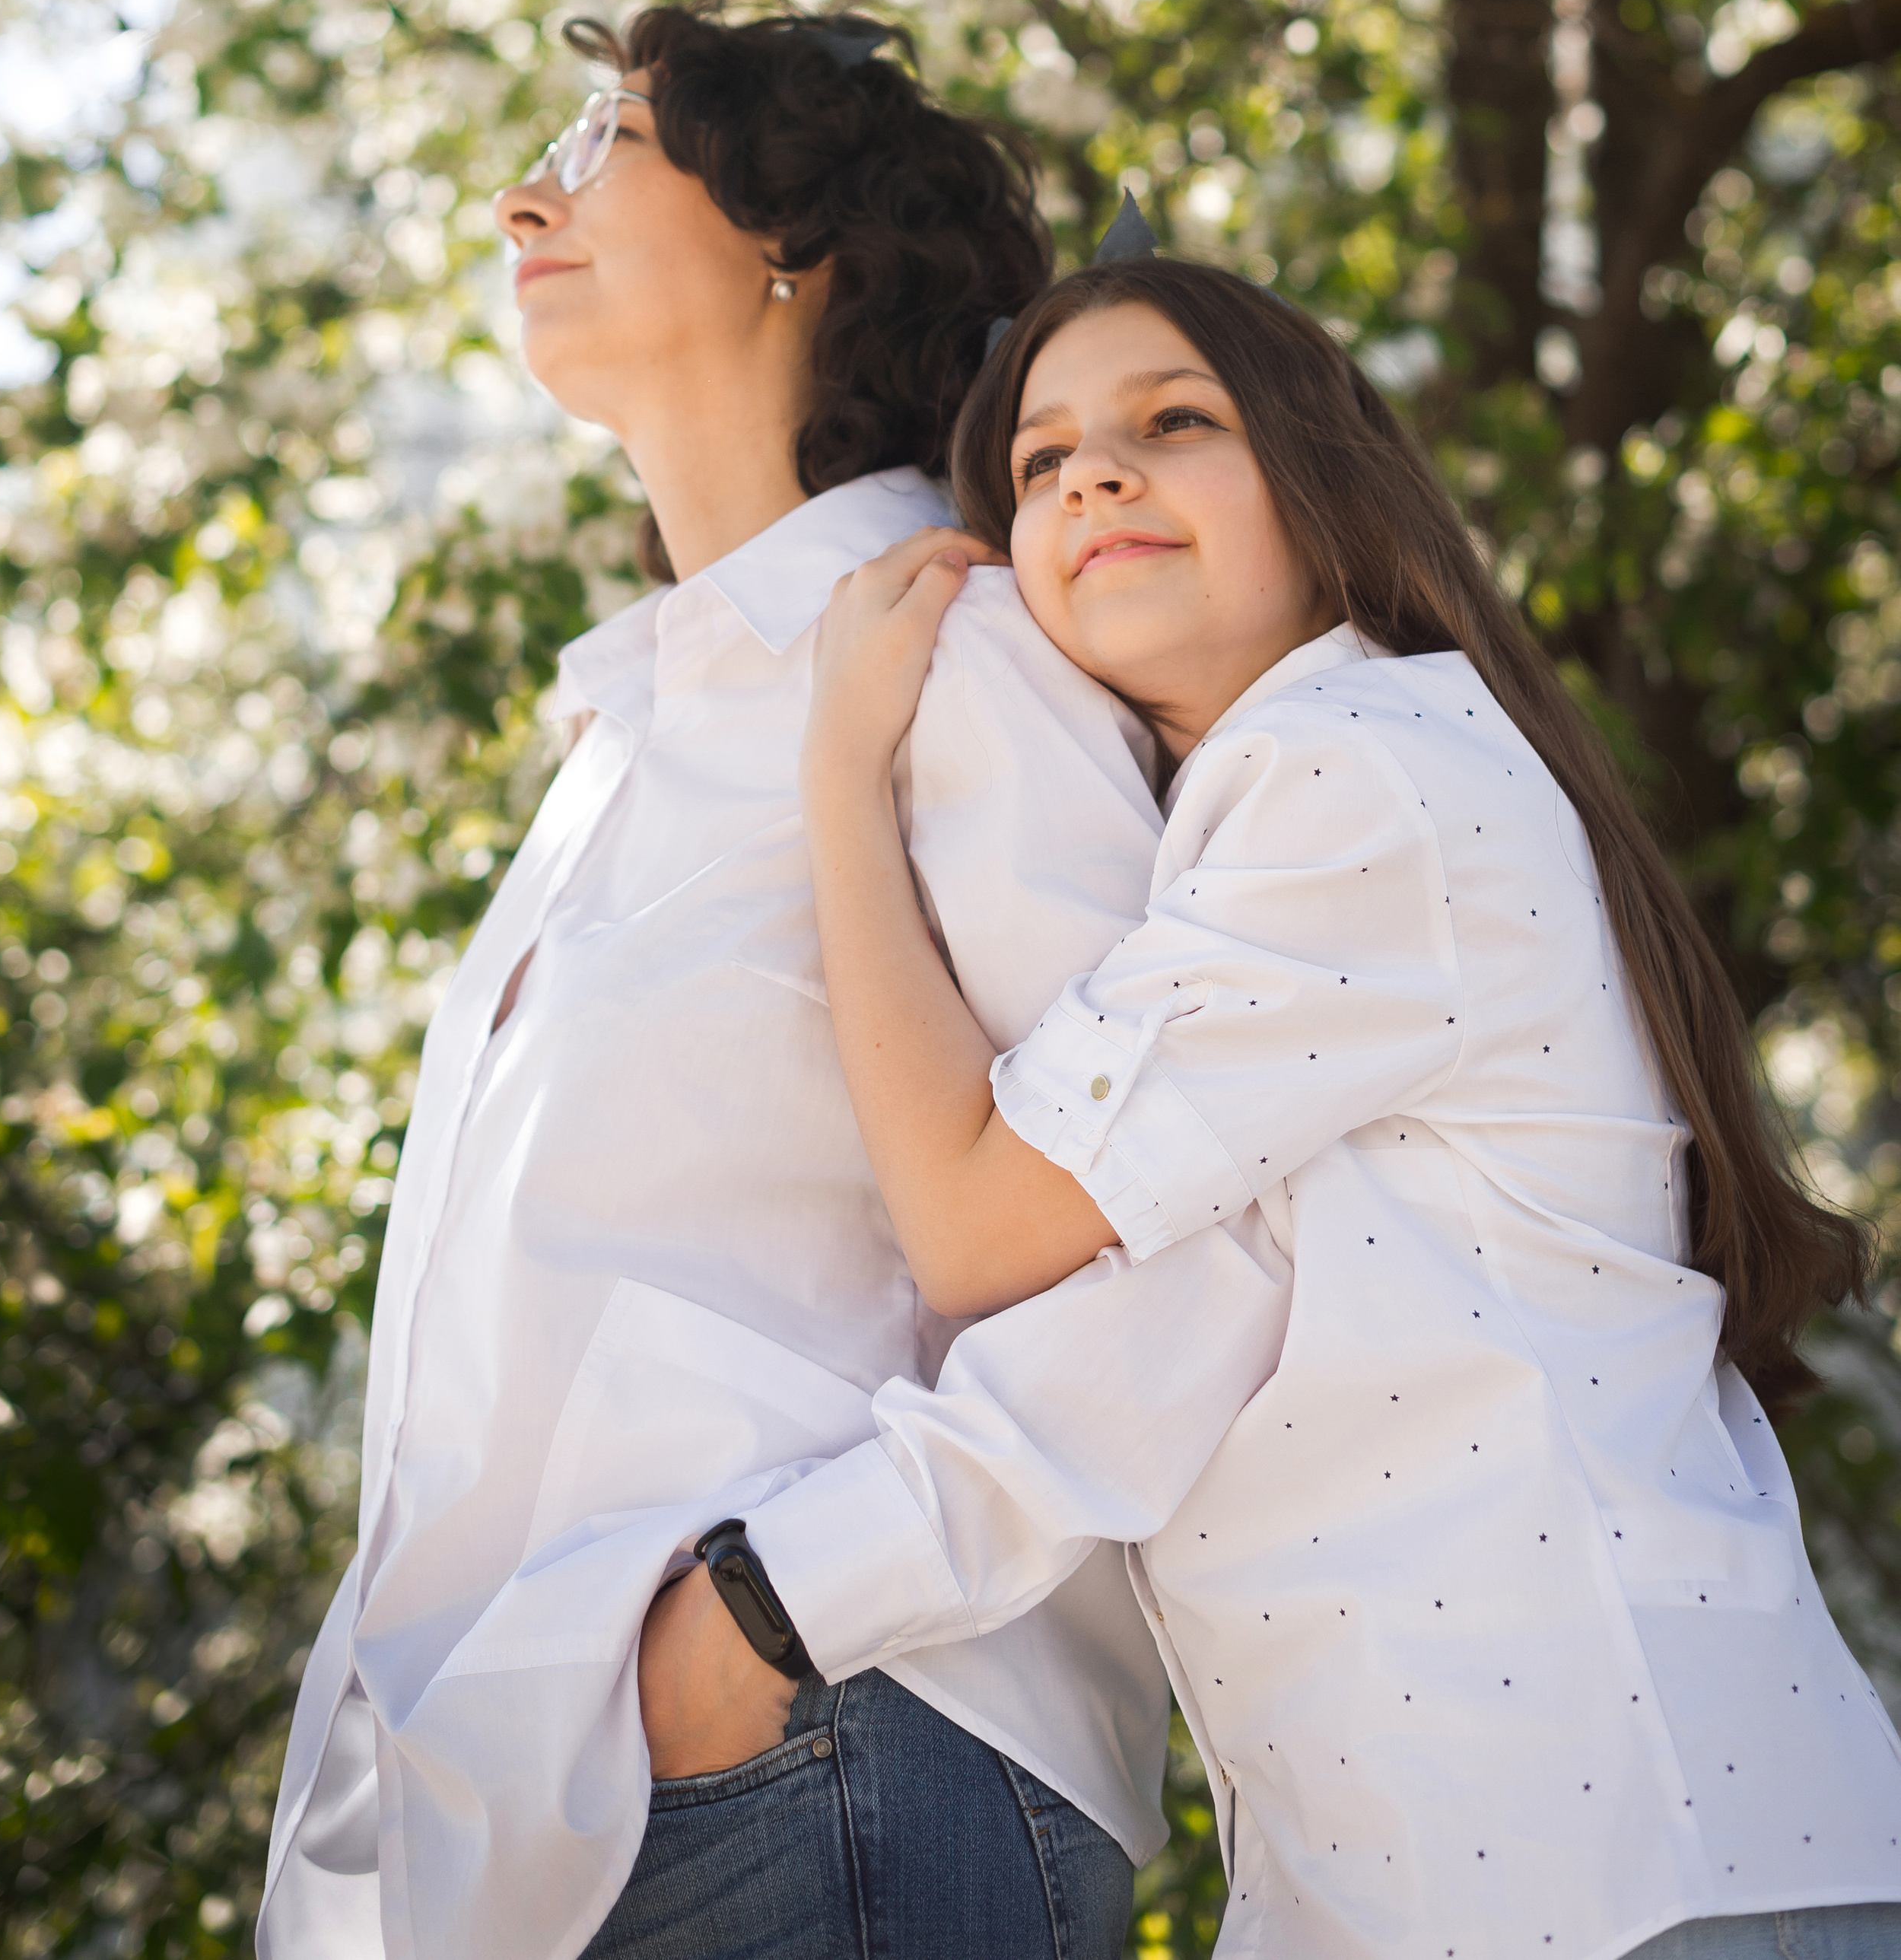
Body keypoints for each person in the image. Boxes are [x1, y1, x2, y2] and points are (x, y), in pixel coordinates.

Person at [256, 12, 1285, 1960]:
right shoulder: (627, 737)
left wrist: (764, 1621)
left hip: (836, 1765)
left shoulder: (954, 647)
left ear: (790, 246)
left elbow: (1188, 1229)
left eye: (612, 133)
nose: (521, 192)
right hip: (550, 1824)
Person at [728, 254, 1901, 1960]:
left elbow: (978, 1227)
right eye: (1039, 463)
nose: (1092, 476)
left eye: (1168, 422)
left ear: (1319, 474)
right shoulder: (1293, 801)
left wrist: (840, 769)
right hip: (1497, 1872)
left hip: (1618, 1864)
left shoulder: (1357, 768)